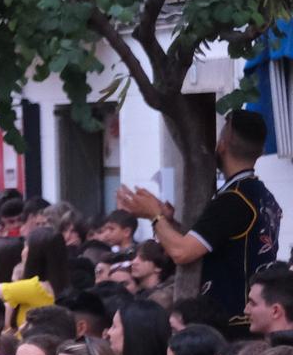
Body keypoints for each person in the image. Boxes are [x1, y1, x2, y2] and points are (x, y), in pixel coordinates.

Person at [119, 111, 283, 329]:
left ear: (225, 142)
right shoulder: (261, 194)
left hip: (231, 321)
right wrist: (168, 222)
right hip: (250, 317)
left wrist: (154, 215)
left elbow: (182, 252)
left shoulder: (234, 199)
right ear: (260, 151)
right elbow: (211, 243)